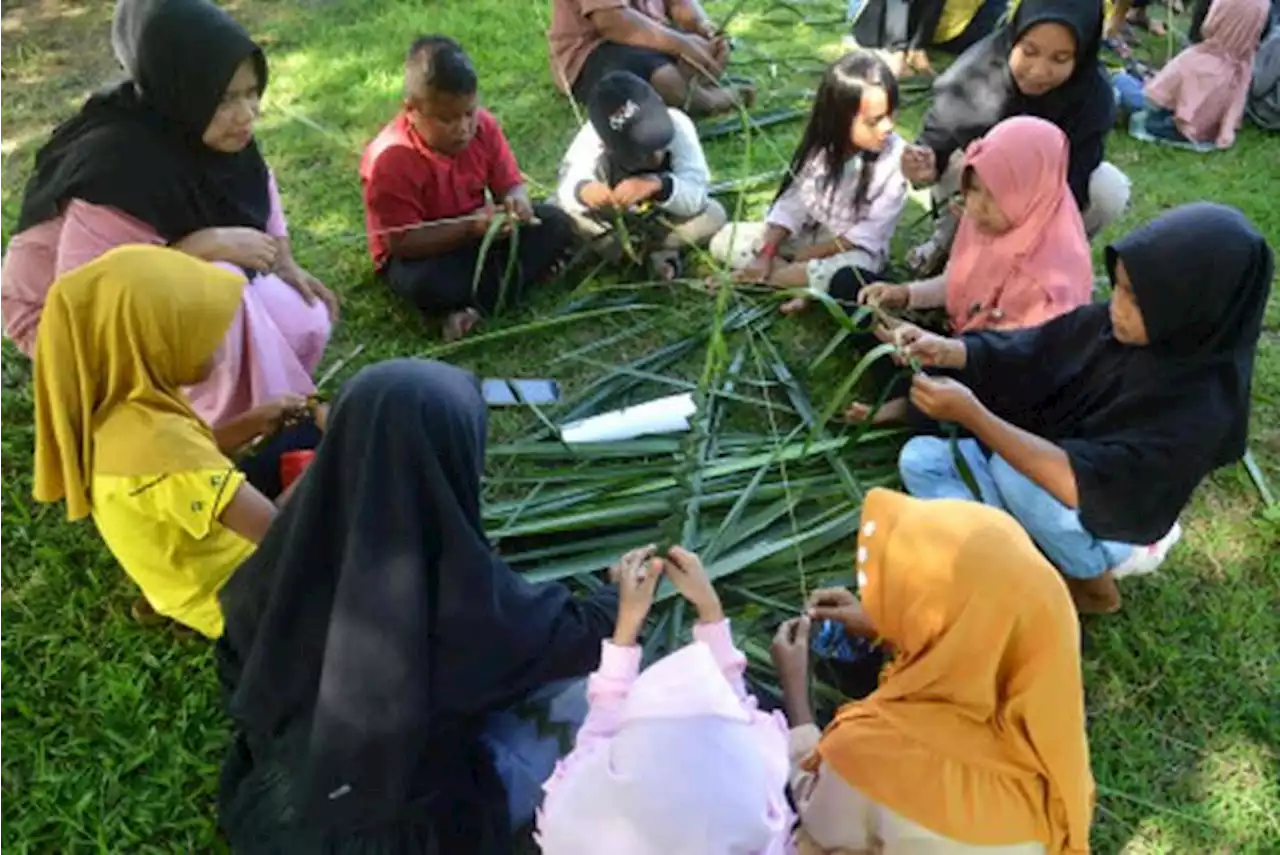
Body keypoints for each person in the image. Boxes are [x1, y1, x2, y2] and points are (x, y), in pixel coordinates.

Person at [215, 359, 628, 854]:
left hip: (272, 815)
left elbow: (239, 679)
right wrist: (618, 596)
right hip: (408, 839)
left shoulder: (272, 571)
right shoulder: (463, 600)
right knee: (591, 702)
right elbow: (574, 641)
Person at [884, 203, 1272, 615]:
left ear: (1193, 308)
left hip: (1116, 520)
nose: (1116, 306)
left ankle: (1094, 588)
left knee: (1013, 476)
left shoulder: (1200, 407)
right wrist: (949, 351)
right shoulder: (1117, 327)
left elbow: (1087, 483)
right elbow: (1034, 351)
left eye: (1136, 299)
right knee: (922, 459)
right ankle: (1020, 557)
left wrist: (973, 415)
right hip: (1047, 481)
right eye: (1119, 287)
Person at [2, 0, 335, 429]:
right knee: (220, 289)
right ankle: (232, 432)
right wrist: (202, 246)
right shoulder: (117, 167)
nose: (248, 113)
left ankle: (264, 407)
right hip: (63, 319)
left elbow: (259, 188)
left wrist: (286, 263)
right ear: (182, 88)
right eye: (226, 98)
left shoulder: (210, 129)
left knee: (303, 316)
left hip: (163, 281)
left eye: (252, 92)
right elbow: (87, 299)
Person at [770, 487, 1094, 854]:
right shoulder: (1050, 729)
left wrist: (795, 694)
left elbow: (817, 815)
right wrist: (889, 624)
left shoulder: (871, 752)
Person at [31, 245, 319, 639]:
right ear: (151, 343)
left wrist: (251, 422)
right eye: (196, 327)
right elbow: (282, 539)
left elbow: (194, 462)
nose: (218, 339)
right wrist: (336, 455)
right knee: (367, 475)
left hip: (184, 577)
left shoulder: (121, 414)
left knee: (300, 435)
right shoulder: (164, 448)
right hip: (248, 600)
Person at [536, 545, 793, 854]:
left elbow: (597, 735)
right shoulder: (764, 832)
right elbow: (744, 724)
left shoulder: (574, 829)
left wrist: (627, 622)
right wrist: (710, 610)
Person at [849, 116, 1092, 425]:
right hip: (958, 337)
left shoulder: (1052, 276)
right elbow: (960, 280)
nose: (976, 206)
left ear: (1032, 191)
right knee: (852, 287)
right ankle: (912, 389)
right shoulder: (985, 220)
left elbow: (1015, 361)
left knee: (965, 398)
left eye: (994, 196)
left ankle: (907, 401)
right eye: (974, 189)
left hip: (1000, 370)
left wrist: (941, 348)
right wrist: (903, 295)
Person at [360, 36, 576, 342]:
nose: (462, 128)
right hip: (424, 255)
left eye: (468, 113)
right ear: (411, 109)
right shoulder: (391, 157)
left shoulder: (484, 127)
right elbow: (402, 242)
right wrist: (470, 227)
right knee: (425, 284)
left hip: (478, 237)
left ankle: (468, 306)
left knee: (555, 222)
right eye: (447, 119)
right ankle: (499, 292)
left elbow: (510, 186)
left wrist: (517, 205)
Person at [901, 0, 1128, 274]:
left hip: (1041, 210)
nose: (1038, 71)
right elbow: (935, 141)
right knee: (966, 161)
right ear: (1014, 36)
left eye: (1060, 59)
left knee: (1108, 188)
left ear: (1081, 55)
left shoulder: (1092, 97)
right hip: (974, 202)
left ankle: (1039, 264)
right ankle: (945, 245)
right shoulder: (977, 71)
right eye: (1029, 51)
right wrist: (923, 165)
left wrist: (1023, 221)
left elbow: (1075, 183)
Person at [709, 51, 907, 314]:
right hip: (809, 238)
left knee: (842, 274)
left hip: (854, 251)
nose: (888, 127)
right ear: (840, 119)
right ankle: (797, 282)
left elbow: (871, 232)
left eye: (890, 115)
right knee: (724, 238)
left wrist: (815, 253)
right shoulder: (822, 148)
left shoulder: (896, 159)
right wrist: (767, 252)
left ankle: (766, 279)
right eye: (875, 121)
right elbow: (794, 203)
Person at [555, 71, 727, 280]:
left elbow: (696, 193)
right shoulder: (591, 139)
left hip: (663, 220)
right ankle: (646, 254)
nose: (654, 157)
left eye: (659, 142)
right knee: (559, 214)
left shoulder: (679, 125)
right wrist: (584, 191)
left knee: (714, 214)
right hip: (611, 220)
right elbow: (568, 184)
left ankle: (635, 252)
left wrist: (659, 186)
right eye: (640, 153)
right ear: (606, 144)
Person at [548, 0, 754, 116]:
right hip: (594, 50)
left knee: (713, 47)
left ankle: (690, 88)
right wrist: (682, 44)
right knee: (660, 76)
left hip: (652, 36)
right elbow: (611, 22)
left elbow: (679, 4)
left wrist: (701, 26)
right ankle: (709, 101)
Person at [1129, 0, 1272, 149]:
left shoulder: (1199, 59)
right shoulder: (1265, 4)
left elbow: (1208, 27)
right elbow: (1263, 34)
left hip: (1213, 54)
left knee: (1170, 89)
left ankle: (1180, 123)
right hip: (1239, 62)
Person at [849, 0, 1010, 77]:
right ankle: (898, 49)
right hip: (878, 13)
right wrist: (897, 48)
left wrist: (918, 45)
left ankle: (913, 48)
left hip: (950, 23)